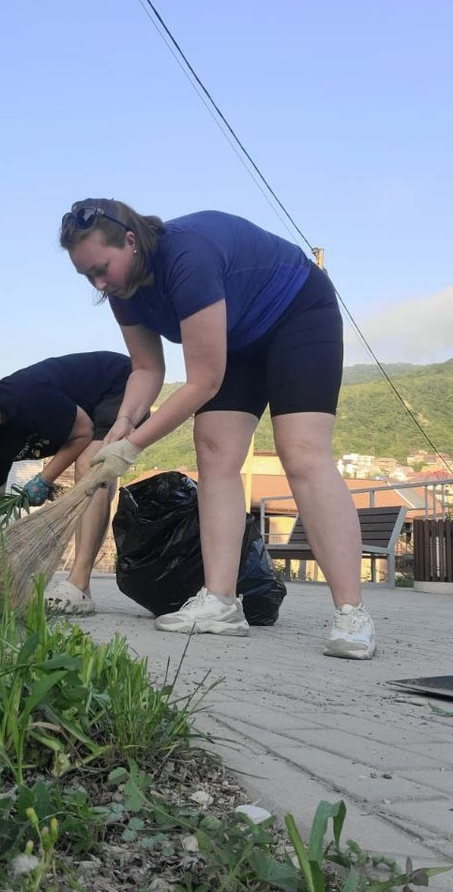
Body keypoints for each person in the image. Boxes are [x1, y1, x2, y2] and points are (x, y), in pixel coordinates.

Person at [59, 198, 376, 660]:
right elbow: (147, 369)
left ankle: (352, 613)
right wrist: (121, 426)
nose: (99, 284)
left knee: (301, 452)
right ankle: (221, 603)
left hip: (298, 314)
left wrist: (131, 447)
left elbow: (203, 381)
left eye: (101, 270)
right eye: (87, 276)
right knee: (213, 449)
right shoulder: (122, 291)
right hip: (238, 339)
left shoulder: (188, 257)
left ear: (130, 241)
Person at [0, 351, 141, 615]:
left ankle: (79, 586)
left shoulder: (26, 396)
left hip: (121, 383)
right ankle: (82, 586)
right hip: (90, 410)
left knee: (90, 466)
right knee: (98, 479)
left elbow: (83, 432)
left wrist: (44, 479)